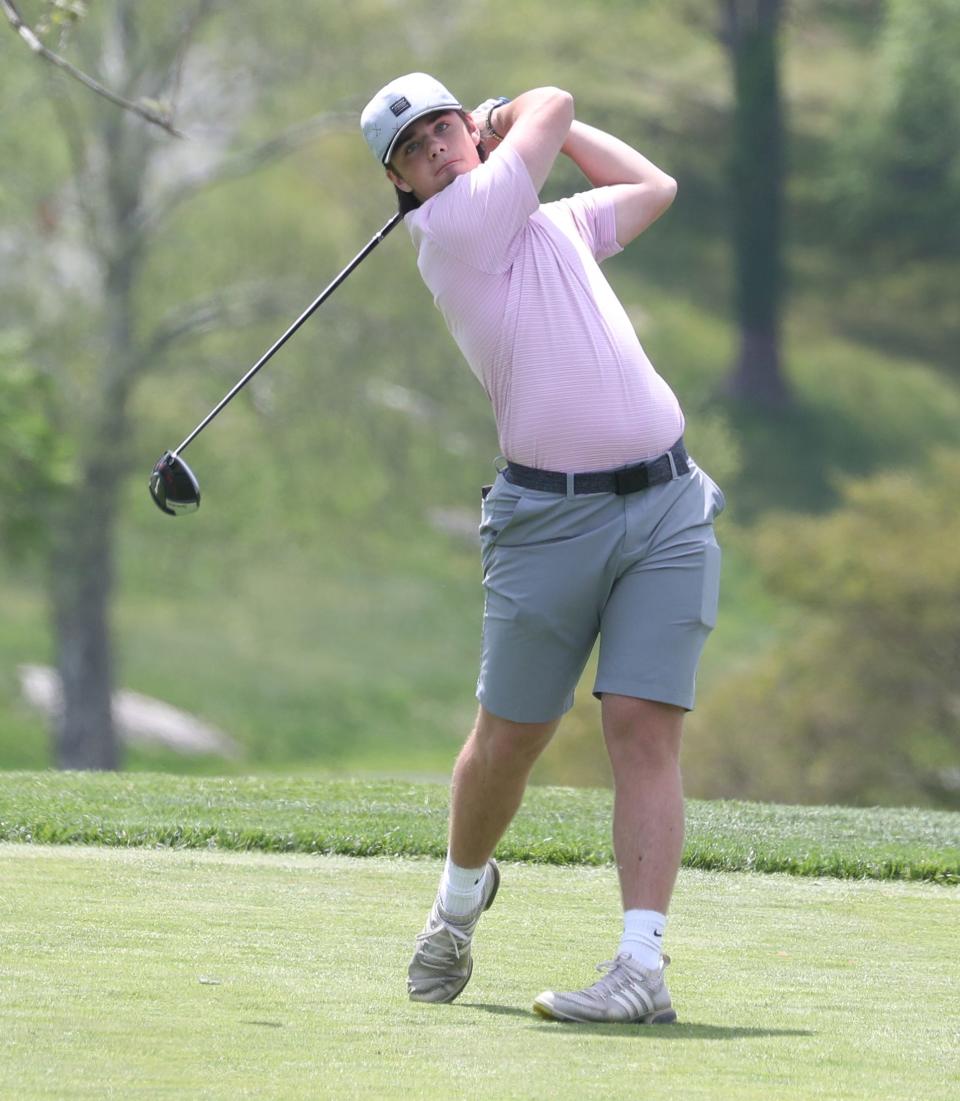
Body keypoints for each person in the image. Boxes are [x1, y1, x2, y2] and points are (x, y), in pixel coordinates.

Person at [360, 73, 724, 1024]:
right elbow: (555, 98)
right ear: (402, 182)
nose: (438, 148)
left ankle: (642, 965)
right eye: (415, 148)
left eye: (444, 127)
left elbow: (654, 189)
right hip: (547, 523)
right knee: (509, 738)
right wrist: (510, 118)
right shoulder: (452, 233)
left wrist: (527, 134)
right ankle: (457, 901)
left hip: (667, 505)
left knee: (643, 726)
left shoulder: (549, 225)